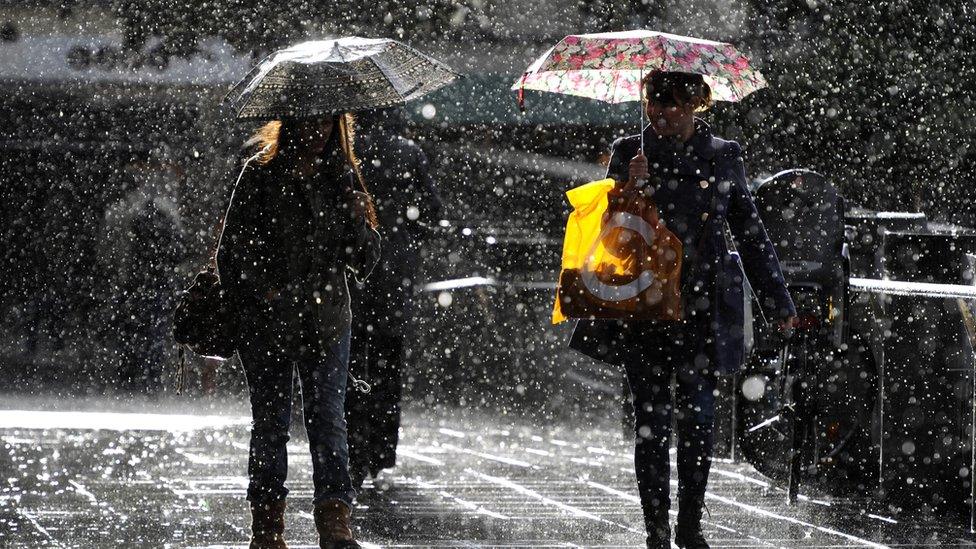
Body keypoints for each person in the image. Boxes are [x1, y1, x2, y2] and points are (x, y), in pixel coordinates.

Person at [569, 71, 797, 549]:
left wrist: (777, 301)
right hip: (645, 304)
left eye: (671, 103)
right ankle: (655, 529)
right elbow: (609, 231)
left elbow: (749, 232)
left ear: (695, 104)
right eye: (653, 101)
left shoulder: (723, 155)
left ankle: (690, 525)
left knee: (699, 421)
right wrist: (628, 188)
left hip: (703, 304)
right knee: (650, 423)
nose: (660, 112)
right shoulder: (631, 151)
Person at [216, 113, 381, 549]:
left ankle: (335, 522)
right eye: (311, 122)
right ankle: (267, 528)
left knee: (327, 418)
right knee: (270, 423)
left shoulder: (340, 176)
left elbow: (362, 262)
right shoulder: (260, 174)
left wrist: (358, 222)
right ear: (292, 122)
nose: (319, 132)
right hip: (266, 321)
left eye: (328, 124)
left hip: (326, 320)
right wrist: (266, 289)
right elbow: (231, 251)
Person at [345, 107, 443, 489]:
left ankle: (353, 446)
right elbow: (433, 208)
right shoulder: (408, 151)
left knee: (351, 362)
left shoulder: (347, 152)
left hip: (354, 268)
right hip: (394, 270)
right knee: (387, 363)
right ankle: (382, 448)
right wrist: (409, 234)